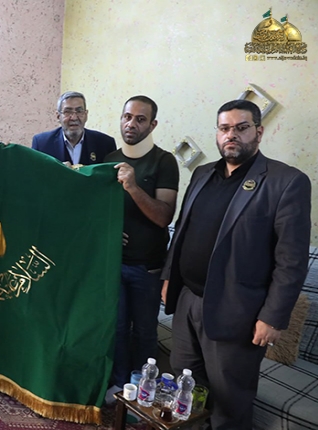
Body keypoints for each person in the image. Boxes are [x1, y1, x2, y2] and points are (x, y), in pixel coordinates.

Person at [161, 99, 311, 429]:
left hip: (237, 312)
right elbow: (183, 230)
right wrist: (170, 277)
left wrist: (273, 317)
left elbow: (291, 261)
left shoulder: (286, 182)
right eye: (225, 128)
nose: (232, 135)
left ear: (258, 132)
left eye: (241, 128)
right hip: (187, 301)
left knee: (229, 402)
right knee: (187, 388)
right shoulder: (202, 174)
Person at [103, 95, 179, 403]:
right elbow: (99, 210)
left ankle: (143, 390)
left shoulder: (164, 161)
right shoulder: (109, 159)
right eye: (127, 116)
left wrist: (133, 187)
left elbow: (164, 216)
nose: (131, 124)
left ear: (152, 124)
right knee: (117, 328)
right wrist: (108, 232)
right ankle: (120, 384)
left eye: (140, 119)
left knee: (145, 331)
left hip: (147, 267)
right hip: (113, 263)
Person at [31, 91, 116, 165]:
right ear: (58, 116)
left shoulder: (105, 144)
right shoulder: (42, 144)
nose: (74, 118)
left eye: (79, 111)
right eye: (68, 112)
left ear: (86, 115)